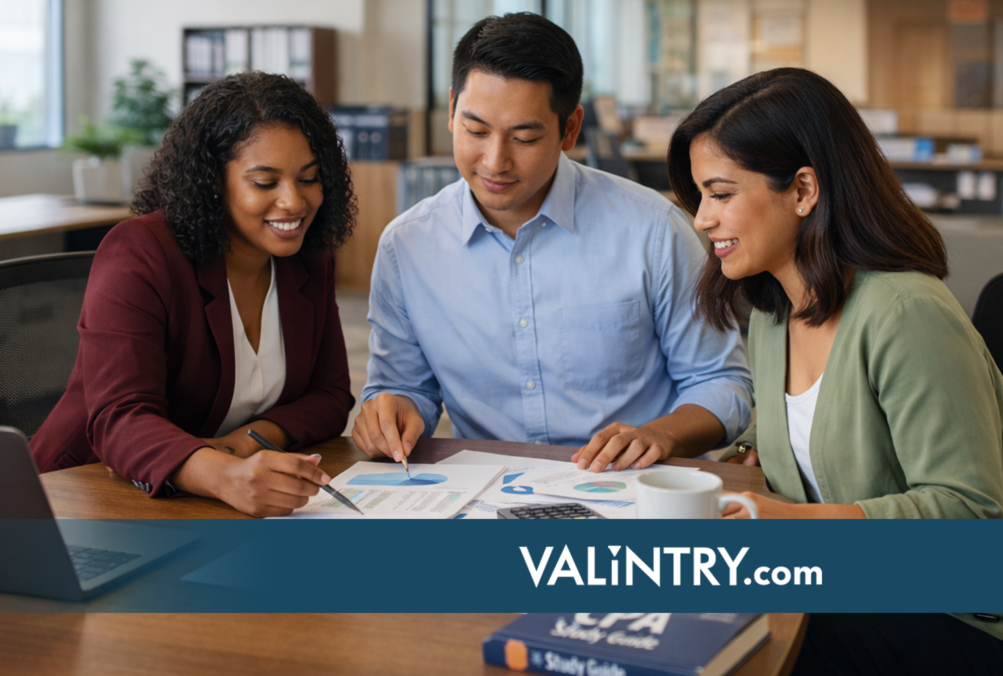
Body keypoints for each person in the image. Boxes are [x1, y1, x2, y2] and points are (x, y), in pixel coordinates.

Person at [668, 67, 1003, 676]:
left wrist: (790, 524)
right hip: (862, 585)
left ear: (804, 190)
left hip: (969, 615)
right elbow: (792, 434)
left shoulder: (905, 313)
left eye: (720, 194)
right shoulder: (774, 313)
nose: (702, 218)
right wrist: (739, 462)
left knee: (740, 643)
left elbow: (966, 513)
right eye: (700, 197)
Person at [354, 13, 752, 471]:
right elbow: (404, 389)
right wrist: (391, 412)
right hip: (490, 491)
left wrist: (660, 434)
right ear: (451, 110)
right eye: (476, 131)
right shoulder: (407, 246)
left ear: (570, 128)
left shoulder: (652, 229)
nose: (495, 161)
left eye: (524, 137)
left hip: (632, 487)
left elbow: (721, 382)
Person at [31, 72, 356, 518]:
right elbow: (121, 418)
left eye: (309, 178)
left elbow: (330, 395)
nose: (294, 203)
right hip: (83, 497)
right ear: (213, 182)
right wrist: (224, 475)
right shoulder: (140, 253)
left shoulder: (308, 256)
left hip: (207, 505)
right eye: (265, 182)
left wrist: (240, 446)